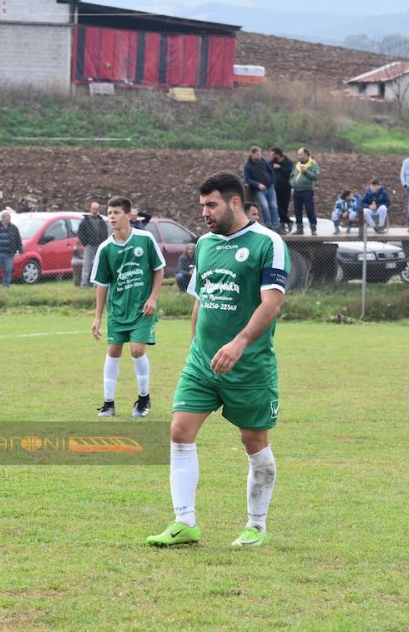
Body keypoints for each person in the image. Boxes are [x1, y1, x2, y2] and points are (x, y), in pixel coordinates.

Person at [147, 171, 289, 549]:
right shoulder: (206, 244)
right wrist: (196, 347)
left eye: (211, 205)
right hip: (202, 364)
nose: (205, 213)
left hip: (249, 364)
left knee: (253, 441)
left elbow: (272, 303)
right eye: (202, 206)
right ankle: (184, 523)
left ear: (235, 202)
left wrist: (239, 343)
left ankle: (256, 526)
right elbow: (201, 299)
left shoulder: (267, 243)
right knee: (179, 432)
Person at [90, 196, 165, 418]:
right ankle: (108, 403)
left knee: (137, 350)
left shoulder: (145, 239)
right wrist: (97, 317)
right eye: (109, 213)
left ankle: (143, 399)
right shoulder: (105, 249)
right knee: (113, 350)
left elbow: (159, 269)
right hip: (118, 310)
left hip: (142, 309)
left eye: (116, 212)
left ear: (128, 215)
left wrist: (153, 298)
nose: (112, 217)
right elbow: (102, 284)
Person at [242, 146, 282, 232]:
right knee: (265, 206)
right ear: (252, 154)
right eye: (257, 154)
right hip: (259, 190)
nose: (259, 156)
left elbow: (271, 171)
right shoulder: (248, 166)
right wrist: (257, 184)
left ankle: (277, 226)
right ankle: (269, 226)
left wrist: (272, 182)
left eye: (260, 154)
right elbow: (247, 179)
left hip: (270, 187)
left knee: (274, 206)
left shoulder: (264, 161)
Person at [77, 201, 109, 288]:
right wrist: (85, 243)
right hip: (89, 245)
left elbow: (105, 232)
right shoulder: (85, 221)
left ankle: (96, 284)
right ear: (90, 209)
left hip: (99, 245)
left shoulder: (101, 220)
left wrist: (103, 242)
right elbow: (80, 233)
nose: (95, 211)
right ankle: (84, 284)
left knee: (98, 265)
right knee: (86, 265)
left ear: (98, 210)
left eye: (96, 209)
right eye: (93, 209)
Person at [0, 210, 22, 288]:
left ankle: (5, 286)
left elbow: (18, 239)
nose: (9, 218)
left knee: (8, 271)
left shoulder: (14, 228)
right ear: (3, 218)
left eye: (9, 216)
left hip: (9, 254)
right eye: (8, 216)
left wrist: (20, 250)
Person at [290, 147, 320, 235]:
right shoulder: (298, 164)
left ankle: (313, 229)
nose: (298, 156)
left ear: (306, 155)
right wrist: (292, 183)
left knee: (310, 210)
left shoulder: (313, 164)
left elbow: (315, 177)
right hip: (297, 191)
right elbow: (292, 175)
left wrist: (306, 171)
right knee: (297, 210)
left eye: (300, 154)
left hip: (307, 190)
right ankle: (299, 229)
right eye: (298, 154)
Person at [270, 147, 294, 233]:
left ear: (278, 155)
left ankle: (283, 225)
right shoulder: (271, 163)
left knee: (284, 207)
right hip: (275, 189)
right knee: (276, 207)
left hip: (286, 188)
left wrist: (279, 167)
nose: (271, 156)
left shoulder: (288, 162)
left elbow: (290, 172)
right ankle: (288, 221)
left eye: (273, 155)